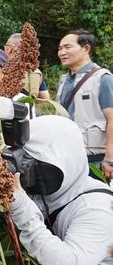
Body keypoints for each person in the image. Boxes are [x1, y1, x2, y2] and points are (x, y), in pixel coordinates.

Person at [8, 115, 113, 265]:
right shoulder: (41, 191)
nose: (27, 173)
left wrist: (21, 210)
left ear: (65, 162)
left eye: (34, 164)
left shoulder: (96, 208)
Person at [56, 30, 113, 179]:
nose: (62, 52)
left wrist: (109, 159)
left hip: (96, 160)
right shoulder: (64, 80)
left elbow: (112, 119)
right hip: (69, 157)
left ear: (86, 48)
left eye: (67, 47)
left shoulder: (103, 79)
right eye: (60, 48)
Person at [5, 33, 50, 99]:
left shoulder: (1, 70)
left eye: (5, 48)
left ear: (11, 49)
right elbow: (46, 100)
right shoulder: (36, 72)